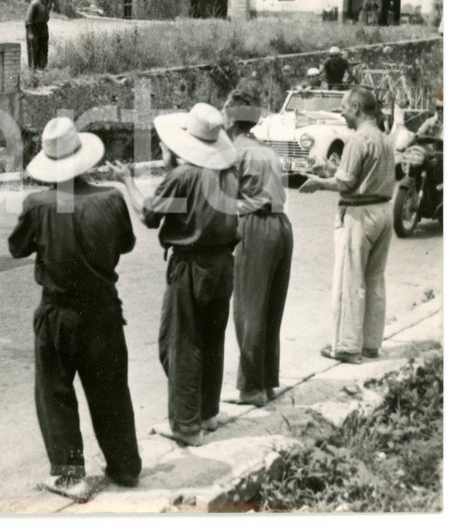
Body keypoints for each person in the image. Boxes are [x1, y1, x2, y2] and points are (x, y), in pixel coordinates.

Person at [8, 117, 142, 500]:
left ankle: (70, 476)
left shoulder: (37, 204)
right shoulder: (111, 199)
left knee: (55, 391)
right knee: (111, 390)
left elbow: (17, 247)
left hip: (59, 312)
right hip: (104, 309)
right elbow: (127, 244)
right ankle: (125, 467)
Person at [112, 103, 239, 447]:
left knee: (180, 344)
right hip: (223, 264)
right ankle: (207, 413)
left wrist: (128, 181)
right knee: (211, 340)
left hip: (191, 266)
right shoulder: (227, 174)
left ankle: (185, 424)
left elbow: (149, 215)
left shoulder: (182, 177)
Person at [300, 87, 395, 364]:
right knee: (374, 279)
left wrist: (319, 182)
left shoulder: (357, 139)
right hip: (383, 211)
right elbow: (361, 175)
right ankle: (370, 344)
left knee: (349, 280)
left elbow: (345, 183)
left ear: (356, 107)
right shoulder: (384, 138)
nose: (342, 112)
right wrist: (333, 170)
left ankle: (347, 346)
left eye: (344, 107)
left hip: (359, 214)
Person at [223, 88, 294, 407]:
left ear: (230, 117)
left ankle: (252, 388)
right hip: (281, 224)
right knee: (270, 310)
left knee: (248, 309)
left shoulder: (233, 152)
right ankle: (266, 381)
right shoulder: (266, 150)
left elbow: (225, 200)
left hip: (256, 226)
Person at [25, 0, 56, 71]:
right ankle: (33, 69)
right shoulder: (35, 4)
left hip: (43, 26)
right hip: (34, 27)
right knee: (34, 49)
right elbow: (28, 19)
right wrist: (30, 33)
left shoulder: (49, 2)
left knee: (44, 48)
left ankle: (42, 67)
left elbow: (48, 11)